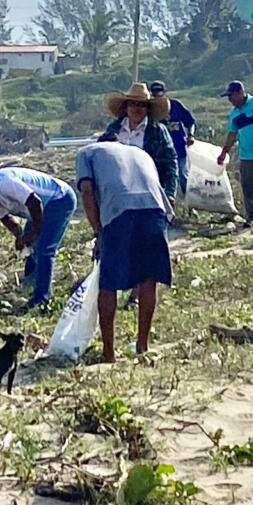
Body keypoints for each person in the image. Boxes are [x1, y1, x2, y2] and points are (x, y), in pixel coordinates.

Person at [75, 136, 173, 363]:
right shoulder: (139, 152)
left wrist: (98, 231)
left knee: (108, 283)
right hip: (155, 210)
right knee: (149, 279)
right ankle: (142, 346)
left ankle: (109, 353)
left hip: (120, 211)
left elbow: (87, 191)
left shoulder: (87, 152)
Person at [0, 167, 77, 311]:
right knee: (31, 249)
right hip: (37, 209)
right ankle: (30, 286)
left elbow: (35, 202)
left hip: (59, 199)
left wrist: (31, 234)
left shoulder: (5, 183)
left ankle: (42, 299)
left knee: (43, 250)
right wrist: (20, 237)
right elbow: (7, 220)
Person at [104, 82, 178, 202]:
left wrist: (170, 193)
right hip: (118, 192)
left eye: (141, 105)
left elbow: (170, 162)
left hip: (150, 191)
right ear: (126, 107)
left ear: (147, 109)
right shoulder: (113, 129)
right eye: (132, 104)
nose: (136, 109)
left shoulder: (158, 131)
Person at [216, 81, 253, 225]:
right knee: (247, 184)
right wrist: (224, 152)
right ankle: (251, 216)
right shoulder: (234, 114)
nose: (230, 100)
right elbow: (232, 134)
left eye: (231, 96)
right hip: (246, 153)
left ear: (240, 93)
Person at [149, 81, 197, 197]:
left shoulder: (175, 105)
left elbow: (190, 122)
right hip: (159, 153)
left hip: (179, 148)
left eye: (159, 95)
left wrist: (190, 135)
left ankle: (189, 205)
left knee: (182, 176)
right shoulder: (150, 110)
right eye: (155, 95)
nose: (157, 97)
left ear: (165, 93)